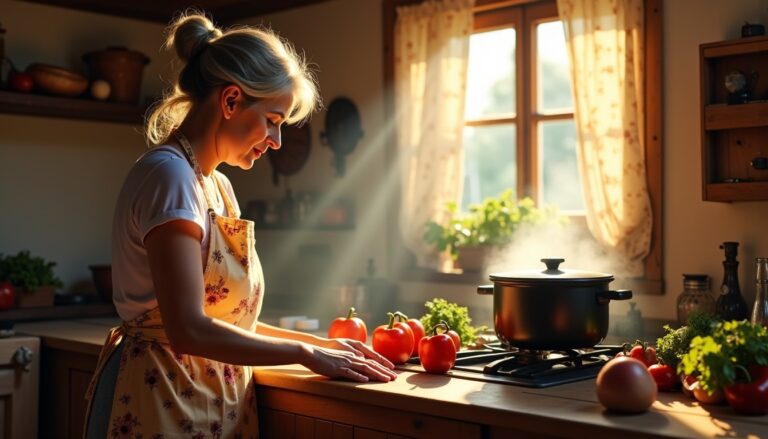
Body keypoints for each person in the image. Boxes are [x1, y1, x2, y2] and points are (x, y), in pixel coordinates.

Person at [84, 11, 397, 438]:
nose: (276, 140)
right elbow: (189, 328)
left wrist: (326, 346)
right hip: (159, 402)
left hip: (210, 402)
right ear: (231, 101)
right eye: (272, 120)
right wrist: (304, 352)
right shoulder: (169, 178)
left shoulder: (218, 185)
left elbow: (230, 324)